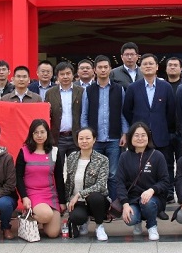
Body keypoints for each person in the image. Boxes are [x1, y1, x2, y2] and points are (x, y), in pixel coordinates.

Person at [80, 55, 127, 200]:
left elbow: (123, 113)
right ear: (95, 70)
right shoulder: (88, 90)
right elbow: (84, 115)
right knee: (93, 175)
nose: (103, 70)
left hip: (114, 138)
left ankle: (114, 203)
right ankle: (96, 204)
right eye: (100, 67)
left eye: (106, 67)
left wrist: (125, 133)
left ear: (110, 69)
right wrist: (86, 136)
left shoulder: (119, 89)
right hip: (95, 140)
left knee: (113, 174)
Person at [115, 122, 171, 241]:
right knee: (130, 219)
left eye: (143, 135)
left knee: (147, 202)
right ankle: (137, 221)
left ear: (148, 137)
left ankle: (152, 226)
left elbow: (165, 181)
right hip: (133, 199)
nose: (140, 138)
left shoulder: (157, 155)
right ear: (130, 137)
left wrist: (152, 190)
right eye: (136, 135)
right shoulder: (124, 157)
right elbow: (119, 182)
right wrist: (125, 204)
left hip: (153, 198)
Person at [17, 119, 66, 239]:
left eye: (42, 132)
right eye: (36, 132)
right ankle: (29, 215)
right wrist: (24, 197)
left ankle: (36, 222)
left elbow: (59, 177)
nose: (39, 135)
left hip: (50, 194)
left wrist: (62, 201)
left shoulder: (54, 152)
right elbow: (18, 176)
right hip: (32, 193)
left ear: (47, 133)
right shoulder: (24, 151)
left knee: (53, 233)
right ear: (31, 134)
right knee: (46, 215)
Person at [65, 127, 110, 241]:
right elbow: (68, 182)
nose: (84, 141)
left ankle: (99, 226)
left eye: (87, 138)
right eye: (81, 138)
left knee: (95, 197)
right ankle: (84, 221)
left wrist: (80, 194)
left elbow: (101, 185)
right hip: (78, 202)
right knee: (77, 218)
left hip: (97, 201)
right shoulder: (71, 157)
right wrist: (67, 200)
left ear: (94, 140)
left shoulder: (102, 159)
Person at [45, 61, 84, 157]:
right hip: (58, 137)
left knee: (75, 165)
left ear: (73, 75)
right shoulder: (50, 93)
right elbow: (47, 114)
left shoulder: (81, 91)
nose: (65, 77)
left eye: (68, 73)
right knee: (57, 164)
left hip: (76, 137)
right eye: (62, 74)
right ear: (57, 76)